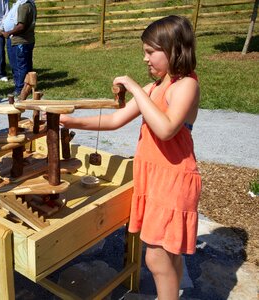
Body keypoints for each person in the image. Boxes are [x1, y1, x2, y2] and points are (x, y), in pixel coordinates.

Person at [60, 15, 201, 300]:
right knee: (168, 258)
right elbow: (114, 120)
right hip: (155, 180)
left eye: (150, 52)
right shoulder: (156, 87)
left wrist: (134, 87)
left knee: (157, 260)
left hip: (173, 182)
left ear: (174, 49)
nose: (145, 59)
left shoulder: (185, 85)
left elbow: (165, 129)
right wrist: (68, 120)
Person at [1, 0, 36, 97]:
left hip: (19, 41)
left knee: (19, 66)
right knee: (25, 65)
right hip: (24, 40)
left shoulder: (24, 6)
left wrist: (9, 32)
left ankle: (20, 89)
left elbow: (21, 26)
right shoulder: (28, 4)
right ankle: (28, 87)